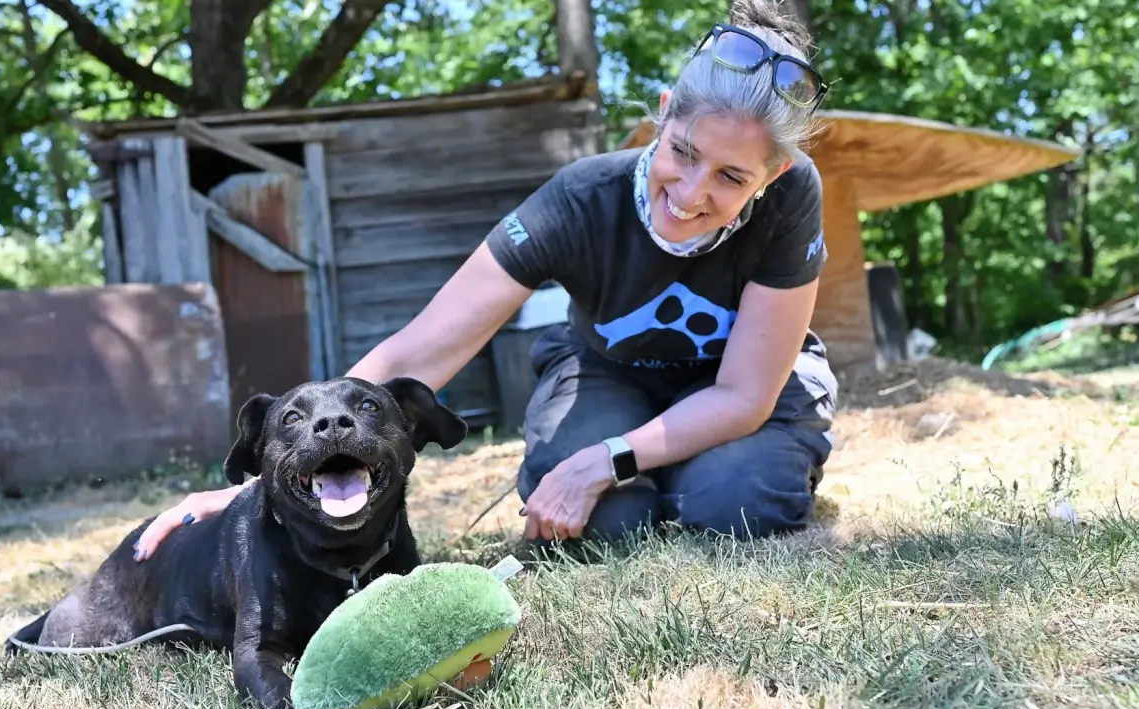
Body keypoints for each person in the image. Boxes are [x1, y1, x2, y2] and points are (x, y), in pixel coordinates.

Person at [132, 0, 838, 562]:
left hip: (743, 386)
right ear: (661, 111)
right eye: (682, 152)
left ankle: (731, 470)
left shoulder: (792, 195)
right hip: (612, 374)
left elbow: (744, 394)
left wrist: (608, 458)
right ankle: (658, 474)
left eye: (730, 176)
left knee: (734, 504)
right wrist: (266, 473)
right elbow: (424, 350)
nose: (689, 192)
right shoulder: (577, 200)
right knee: (611, 526)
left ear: (771, 175)